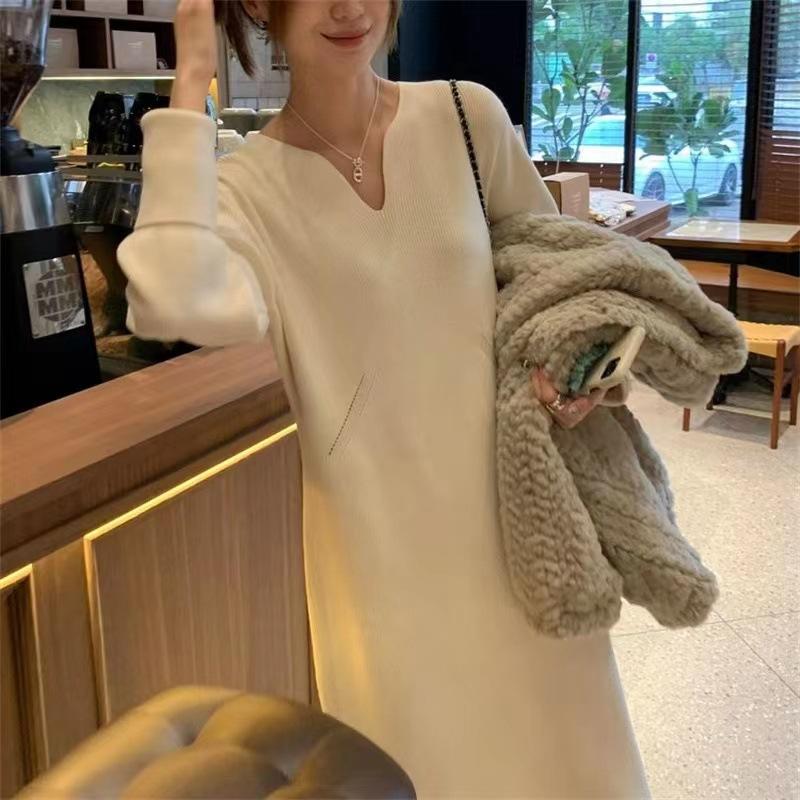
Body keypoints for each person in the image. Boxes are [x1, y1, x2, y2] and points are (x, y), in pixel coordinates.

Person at [117, 1, 651, 796]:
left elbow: (560, 285)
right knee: (422, 771)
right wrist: (191, 75)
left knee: (573, 769)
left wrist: (579, 374)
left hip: (522, 532)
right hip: (382, 568)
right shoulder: (242, 190)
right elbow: (173, 301)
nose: (348, 9)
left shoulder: (467, 118)